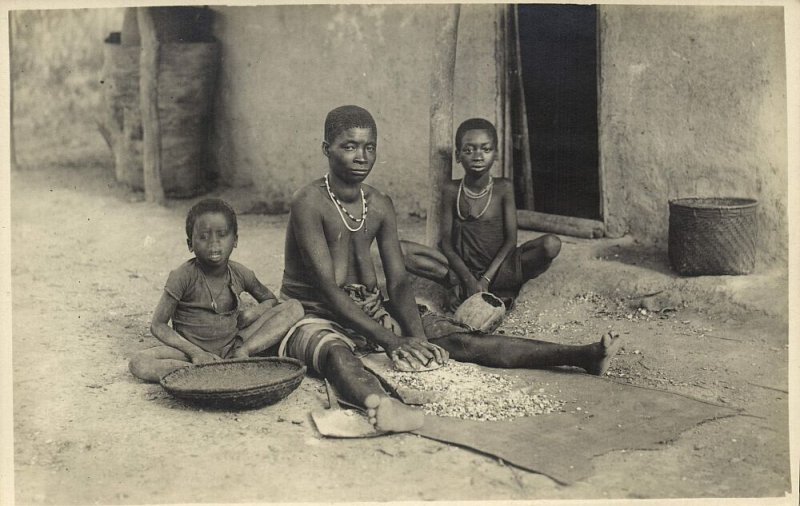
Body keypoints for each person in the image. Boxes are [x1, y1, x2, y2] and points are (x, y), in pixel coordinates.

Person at [279, 105, 622, 434]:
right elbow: (328, 290)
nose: (361, 156)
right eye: (349, 146)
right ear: (327, 148)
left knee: (463, 341)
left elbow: (398, 283)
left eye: (369, 147)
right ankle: (381, 405)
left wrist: (414, 335)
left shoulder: (379, 203)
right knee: (336, 354)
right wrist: (392, 341)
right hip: (316, 313)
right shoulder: (309, 202)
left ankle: (584, 355)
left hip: (371, 310)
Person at [129, 198, 304, 382]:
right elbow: (158, 325)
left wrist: (252, 314)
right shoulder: (182, 276)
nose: (214, 243)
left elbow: (270, 300)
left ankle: (239, 357)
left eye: (222, 234)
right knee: (139, 361)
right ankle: (197, 372)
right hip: (190, 353)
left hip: (234, 346)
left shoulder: (240, 273)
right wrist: (195, 353)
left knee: (294, 307)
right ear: (190, 244)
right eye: (203, 237)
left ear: (235, 240)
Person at [401, 118, 561, 309]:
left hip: (499, 269)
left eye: (486, 149)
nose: (478, 156)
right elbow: (445, 242)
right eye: (469, 150)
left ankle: (498, 288)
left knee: (551, 244)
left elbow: (510, 240)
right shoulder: (451, 189)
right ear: (458, 155)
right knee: (401, 249)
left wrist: (486, 278)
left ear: (496, 154)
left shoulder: (504, 188)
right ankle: (460, 286)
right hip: (460, 271)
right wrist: (467, 278)